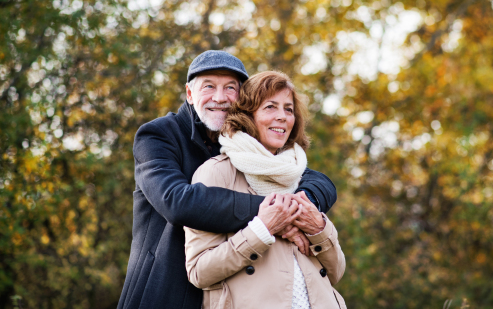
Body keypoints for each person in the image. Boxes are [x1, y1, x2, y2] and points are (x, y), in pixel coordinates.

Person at [118, 51, 337, 309]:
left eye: (230, 88)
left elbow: (314, 179)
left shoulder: (246, 148)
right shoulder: (158, 136)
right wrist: (276, 214)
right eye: (208, 86)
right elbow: (177, 203)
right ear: (189, 93)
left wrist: (298, 207)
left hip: (225, 292)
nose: (219, 97)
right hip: (165, 288)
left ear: (242, 97)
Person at [184, 71, 346, 309]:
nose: (282, 117)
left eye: (288, 109)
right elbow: (199, 271)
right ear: (247, 115)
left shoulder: (297, 173)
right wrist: (262, 230)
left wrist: (319, 230)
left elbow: (336, 271)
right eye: (270, 107)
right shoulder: (215, 173)